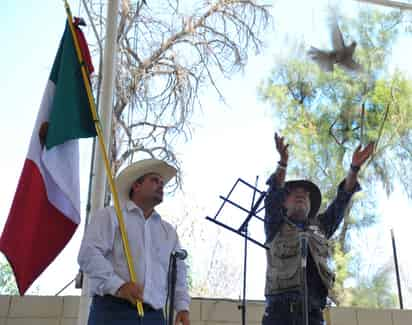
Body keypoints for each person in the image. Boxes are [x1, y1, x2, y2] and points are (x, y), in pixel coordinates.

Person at [262, 132, 374, 325]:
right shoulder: (275, 225)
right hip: (280, 313)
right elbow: (272, 195)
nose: (301, 195)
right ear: (283, 202)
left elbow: (342, 199)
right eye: (294, 193)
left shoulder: (321, 227)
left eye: (305, 194)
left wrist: (354, 168)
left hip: (314, 312)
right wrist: (283, 163)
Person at [78, 159, 191, 325]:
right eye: (154, 180)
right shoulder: (110, 216)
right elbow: (88, 254)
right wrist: (118, 286)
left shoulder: (168, 232)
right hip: (112, 312)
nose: (161, 185)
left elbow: (178, 273)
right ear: (136, 186)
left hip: (155, 317)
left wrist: (182, 307)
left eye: (162, 183)